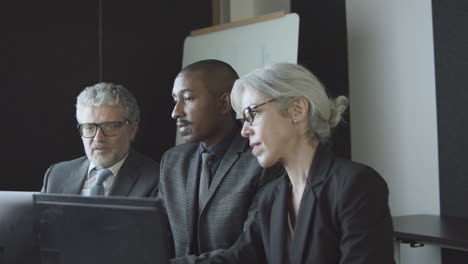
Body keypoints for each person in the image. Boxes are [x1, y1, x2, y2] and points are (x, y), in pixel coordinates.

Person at [201, 63, 395, 264]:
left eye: (253, 114)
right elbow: (238, 259)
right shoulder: (270, 197)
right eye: (244, 120)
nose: (244, 131)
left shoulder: (356, 184)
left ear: (297, 110)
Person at [155, 59, 283, 264]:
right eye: (174, 100)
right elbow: (157, 235)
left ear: (224, 103)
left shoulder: (262, 160)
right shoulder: (173, 161)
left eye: (187, 98)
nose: (175, 112)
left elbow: (252, 250)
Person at [41, 82, 159, 197]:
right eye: (89, 127)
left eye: (109, 127)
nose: (98, 138)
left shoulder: (155, 180)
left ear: (132, 131)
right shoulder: (57, 175)